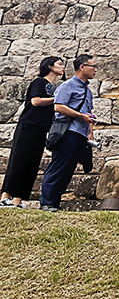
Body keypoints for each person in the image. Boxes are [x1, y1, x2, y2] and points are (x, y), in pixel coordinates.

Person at [1, 57, 65, 208]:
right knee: (19, 160)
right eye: (60, 64)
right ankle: (5, 196)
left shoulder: (55, 86)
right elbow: (35, 101)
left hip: (41, 129)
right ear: (49, 66)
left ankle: (18, 199)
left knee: (32, 163)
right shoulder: (39, 82)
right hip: (28, 126)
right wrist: (56, 100)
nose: (63, 68)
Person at [39, 54, 97, 212]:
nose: (95, 70)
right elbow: (58, 107)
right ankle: (47, 202)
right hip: (67, 132)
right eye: (93, 66)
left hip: (80, 133)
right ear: (82, 67)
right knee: (58, 166)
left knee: (68, 169)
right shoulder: (67, 86)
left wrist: (90, 134)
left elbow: (88, 113)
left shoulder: (88, 91)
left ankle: (54, 203)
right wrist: (80, 116)